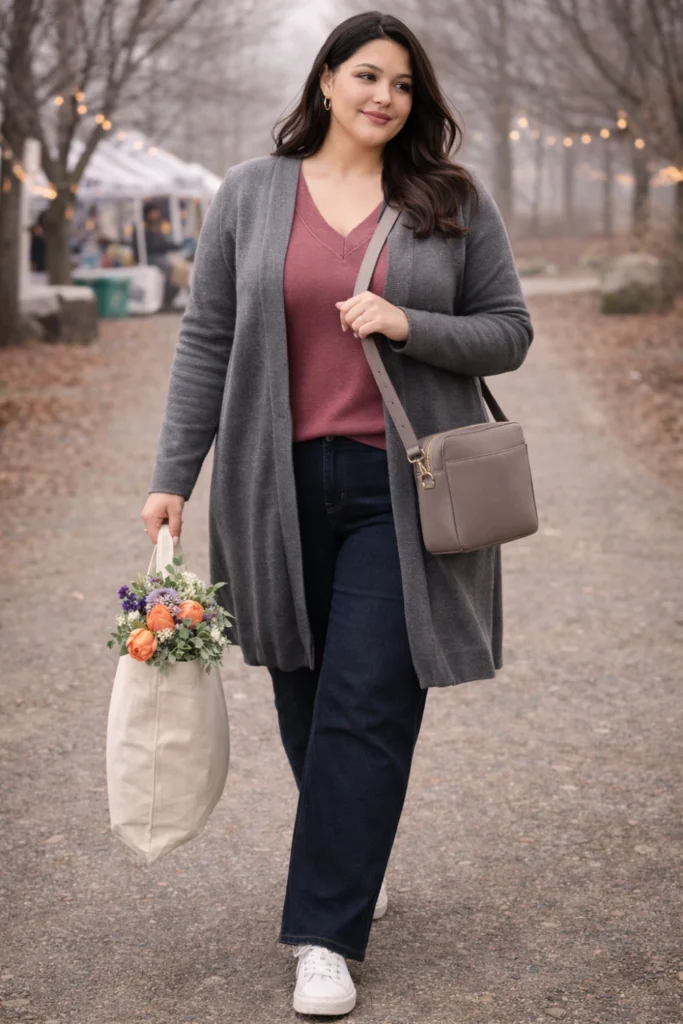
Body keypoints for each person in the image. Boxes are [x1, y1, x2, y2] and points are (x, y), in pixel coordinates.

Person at [142, 11, 533, 1018]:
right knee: (303, 686)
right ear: (325, 80)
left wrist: (408, 323)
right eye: (366, 75)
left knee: (367, 696)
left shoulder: (448, 200)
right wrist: (172, 472)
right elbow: (206, 338)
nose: (383, 97)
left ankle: (322, 934)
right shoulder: (250, 192)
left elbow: (508, 331)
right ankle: (351, 858)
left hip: (401, 489)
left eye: (401, 84)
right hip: (271, 487)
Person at [141, 202, 184, 308]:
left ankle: (169, 297)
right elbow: (154, 246)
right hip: (150, 257)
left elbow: (162, 243)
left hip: (159, 256)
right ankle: (166, 298)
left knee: (180, 268)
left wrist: (174, 246)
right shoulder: (144, 228)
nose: (156, 214)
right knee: (171, 268)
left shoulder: (157, 226)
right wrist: (171, 246)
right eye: (154, 212)